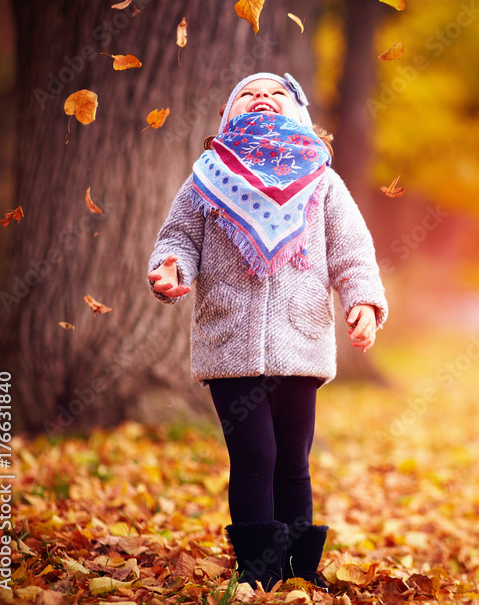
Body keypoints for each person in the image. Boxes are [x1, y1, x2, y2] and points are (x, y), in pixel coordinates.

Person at [147, 72, 387, 591]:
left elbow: (352, 251)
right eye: (249, 95)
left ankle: (300, 573)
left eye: (276, 95)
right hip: (228, 343)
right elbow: (180, 238)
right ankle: (258, 571)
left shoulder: (321, 180)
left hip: (301, 342)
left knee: (293, 461)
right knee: (255, 457)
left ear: (297, 117)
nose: (262, 99)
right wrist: (171, 268)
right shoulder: (206, 178)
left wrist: (363, 301)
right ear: (226, 118)